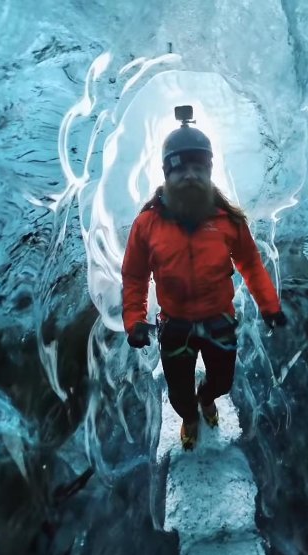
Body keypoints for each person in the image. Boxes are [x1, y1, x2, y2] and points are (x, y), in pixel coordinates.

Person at [121, 106, 287, 450]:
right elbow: (134, 276)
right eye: (182, 168)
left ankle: (208, 397)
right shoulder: (147, 224)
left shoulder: (227, 221)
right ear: (167, 172)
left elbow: (251, 265)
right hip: (176, 326)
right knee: (180, 396)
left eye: (200, 167)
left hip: (218, 322)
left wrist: (270, 306)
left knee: (222, 383)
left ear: (210, 171)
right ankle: (189, 416)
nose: (191, 176)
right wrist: (134, 320)